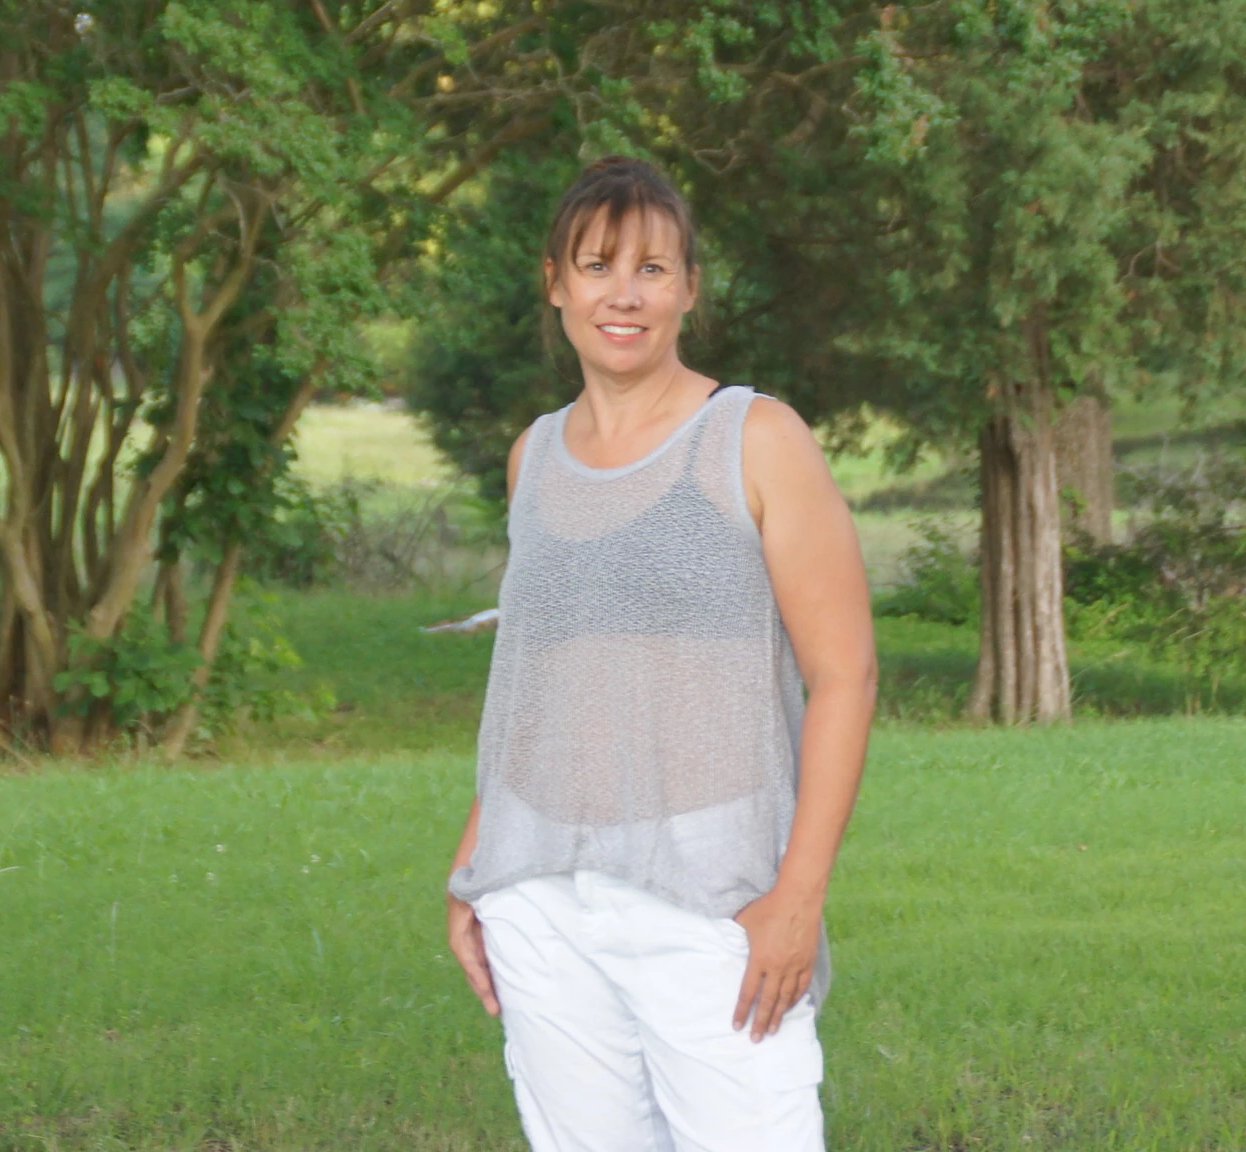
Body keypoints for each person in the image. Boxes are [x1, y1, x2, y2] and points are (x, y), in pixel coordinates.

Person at [446, 156, 876, 1152]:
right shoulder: (534, 455)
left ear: (687, 288)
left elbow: (845, 676)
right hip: (540, 897)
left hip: (713, 902)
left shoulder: (755, 439)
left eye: (651, 269)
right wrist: (477, 865)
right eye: (598, 267)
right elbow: (544, 685)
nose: (624, 295)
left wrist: (796, 898)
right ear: (555, 280)